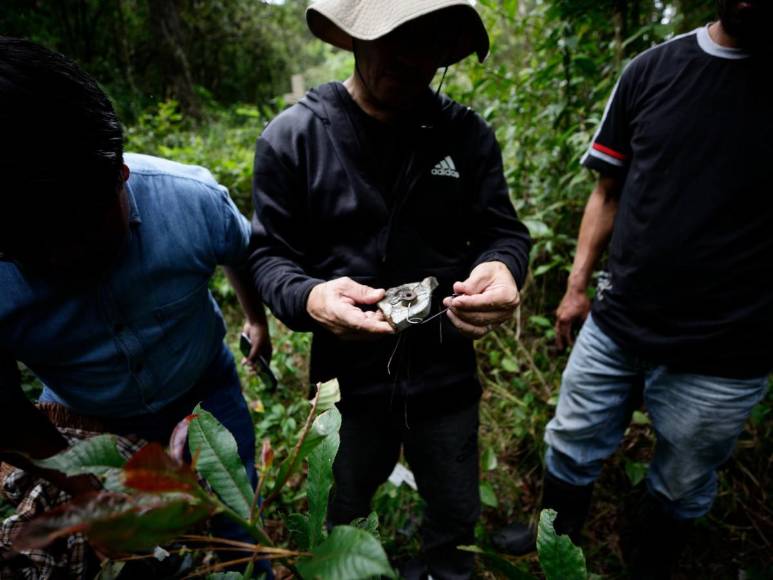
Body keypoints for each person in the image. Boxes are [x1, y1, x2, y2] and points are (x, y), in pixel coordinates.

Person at [248, 1, 532, 577]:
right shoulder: (295, 137)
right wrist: (309, 298)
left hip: (446, 373)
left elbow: (502, 231)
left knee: (454, 512)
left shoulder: (465, 134)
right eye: (391, 39)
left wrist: (503, 268)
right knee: (342, 511)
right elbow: (270, 255)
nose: (408, 59)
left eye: (425, 44)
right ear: (355, 38)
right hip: (346, 383)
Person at [492, 1, 772, 577]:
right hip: (619, 321)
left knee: (683, 477)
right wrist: (576, 289)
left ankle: (650, 563)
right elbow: (607, 191)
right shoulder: (652, 70)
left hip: (728, 350)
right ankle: (556, 541)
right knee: (571, 438)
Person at [0, 37, 271, 573]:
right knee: (145, 555)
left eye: (87, 232)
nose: (70, 260)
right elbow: (5, 413)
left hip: (204, 391)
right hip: (84, 417)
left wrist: (256, 318)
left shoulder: (190, 201)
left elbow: (243, 252)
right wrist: (89, 491)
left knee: (236, 528)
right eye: (38, 253)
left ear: (120, 174)